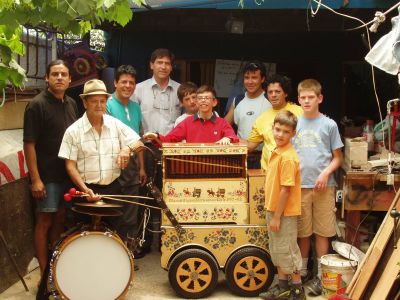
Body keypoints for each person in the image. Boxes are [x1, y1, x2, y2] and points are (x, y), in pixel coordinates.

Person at [23, 59, 78, 279]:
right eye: (55, 74)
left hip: (67, 174)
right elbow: (29, 144)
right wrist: (35, 179)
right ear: (46, 78)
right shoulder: (36, 104)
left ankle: (55, 269)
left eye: (64, 74)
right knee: (44, 221)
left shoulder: (71, 104)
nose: (59, 78)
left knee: (60, 219)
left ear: (70, 79)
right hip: (46, 177)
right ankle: (45, 275)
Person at [292, 79, 343, 295]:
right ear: (298, 99)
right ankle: (302, 274)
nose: (306, 101)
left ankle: (322, 277)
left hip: (324, 187)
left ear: (319, 98)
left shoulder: (329, 124)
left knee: (322, 232)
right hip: (299, 187)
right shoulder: (293, 123)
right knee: (302, 233)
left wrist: (325, 173)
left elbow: (338, 158)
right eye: (302, 97)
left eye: (310, 97)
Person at [58, 79, 144, 204]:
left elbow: (139, 142)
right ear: (85, 103)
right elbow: (70, 166)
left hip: (114, 188)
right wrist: (85, 189)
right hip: (86, 189)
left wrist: (127, 149)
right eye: (94, 101)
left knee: (115, 223)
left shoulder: (114, 124)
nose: (99, 105)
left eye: (102, 101)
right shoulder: (73, 131)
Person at [259, 110, 304, 300]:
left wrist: (277, 216)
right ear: (272, 128)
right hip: (273, 209)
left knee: (288, 249)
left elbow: (286, 190)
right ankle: (283, 286)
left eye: (286, 132)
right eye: (277, 130)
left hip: (284, 213)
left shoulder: (288, 157)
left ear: (293, 133)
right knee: (277, 248)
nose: (280, 134)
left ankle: (297, 290)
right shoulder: (276, 151)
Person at [106, 65, 147, 258]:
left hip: (132, 166)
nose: (128, 86)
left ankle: (126, 255)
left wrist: (141, 167)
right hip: (112, 164)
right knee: (113, 211)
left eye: (131, 82)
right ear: (115, 82)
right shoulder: (106, 104)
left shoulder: (135, 107)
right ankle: (112, 255)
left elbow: (137, 139)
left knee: (131, 213)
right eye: (124, 81)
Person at [144, 85, 239, 145]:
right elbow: (170, 139)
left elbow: (233, 137)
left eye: (207, 98)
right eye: (200, 98)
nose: (203, 100)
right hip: (193, 168)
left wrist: (227, 138)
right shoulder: (187, 122)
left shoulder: (222, 123)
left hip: (216, 169)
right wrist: (156, 136)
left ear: (214, 102)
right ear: (197, 102)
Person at [247, 74, 303, 170]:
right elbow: (250, 146)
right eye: (270, 92)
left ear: (285, 93)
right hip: (269, 173)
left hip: (295, 170)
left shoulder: (301, 112)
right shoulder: (262, 118)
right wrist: (229, 139)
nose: (273, 95)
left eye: (277, 91)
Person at [224, 60, 271, 168]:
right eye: (246, 77)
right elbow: (224, 125)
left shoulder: (270, 99)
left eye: (254, 77)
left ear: (262, 79)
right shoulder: (238, 100)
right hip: (240, 155)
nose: (250, 82)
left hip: (264, 157)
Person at [133, 48, 180, 135]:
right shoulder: (138, 89)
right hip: (146, 144)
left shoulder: (180, 90)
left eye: (167, 63)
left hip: (172, 144)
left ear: (171, 67)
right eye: (159, 62)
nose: (163, 67)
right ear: (151, 65)